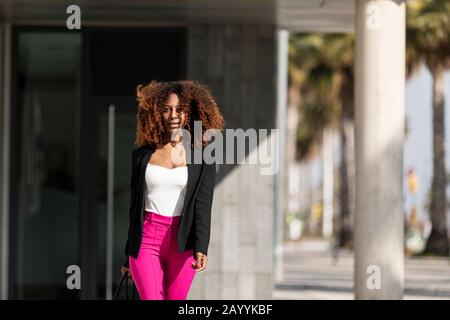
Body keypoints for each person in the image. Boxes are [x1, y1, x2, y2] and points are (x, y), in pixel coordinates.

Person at [120, 80, 224, 300]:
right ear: (158, 114)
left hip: (183, 242)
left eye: (180, 109)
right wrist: (128, 254)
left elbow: (203, 206)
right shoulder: (141, 156)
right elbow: (135, 207)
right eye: (167, 109)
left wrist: (201, 245)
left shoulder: (203, 158)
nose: (174, 115)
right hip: (147, 239)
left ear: (190, 113)